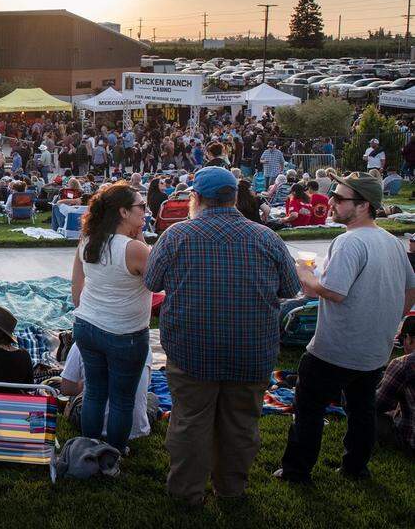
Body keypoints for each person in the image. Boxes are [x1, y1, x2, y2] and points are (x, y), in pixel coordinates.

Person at [144, 166, 300, 505]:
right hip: (252, 352)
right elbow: (291, 289)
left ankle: (187, 493)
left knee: (190, 422)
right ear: (233, 197)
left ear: (196, 199)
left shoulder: (176, 236)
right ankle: (231, 490)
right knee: (241, 424)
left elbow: (151, 283)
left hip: (191, 352)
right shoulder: (266, 237)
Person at [276, 173, 415, 483]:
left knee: (308, 408)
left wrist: (305, 275)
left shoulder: (349, 241)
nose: (332, 203)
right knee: (362, 409)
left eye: (340, 199)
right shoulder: (391, 242)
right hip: (373, 351)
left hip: (335, 349)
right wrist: (391, 319)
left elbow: (333, 292)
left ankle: (297, 471)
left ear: (364, 205)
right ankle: (356, 468)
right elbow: (410, 288)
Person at [70, 182, 152, 453]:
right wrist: (140, 238)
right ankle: (114, 453)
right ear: (123, 212)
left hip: (86, 325)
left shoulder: (88, 240)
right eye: (141, 206)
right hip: (124, 334)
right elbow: (159, 281)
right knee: (122, 399)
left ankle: (89, 446)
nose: (145, 210)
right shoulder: (135, 250)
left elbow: (76, 288)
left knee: (94, 391)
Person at [375, 315, 415, 456]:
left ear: (409, 338)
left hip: (409, 440)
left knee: (362, 409)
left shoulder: (404, 364)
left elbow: (378, 404)